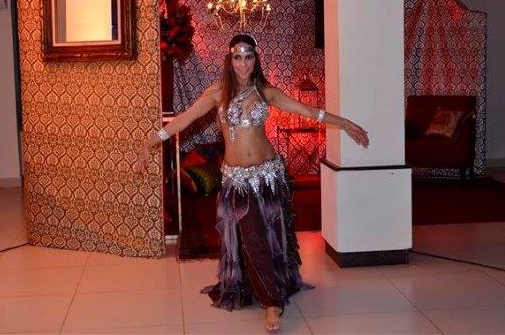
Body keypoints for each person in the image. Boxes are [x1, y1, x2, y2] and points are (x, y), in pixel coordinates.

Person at [135, 34, 369, 332]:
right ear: (229, 60)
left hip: (266, 176)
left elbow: (311, 111)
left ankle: (271, 303)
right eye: (237, 57)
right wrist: (149, 143)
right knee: (251, 237)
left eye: (248, 57)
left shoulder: (266, 92)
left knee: (265, 237)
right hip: (236, 180)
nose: (243, 63)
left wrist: (346, 123)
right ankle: (265, 294)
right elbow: (184, 119)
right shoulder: (217, 92)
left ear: (256, 60)